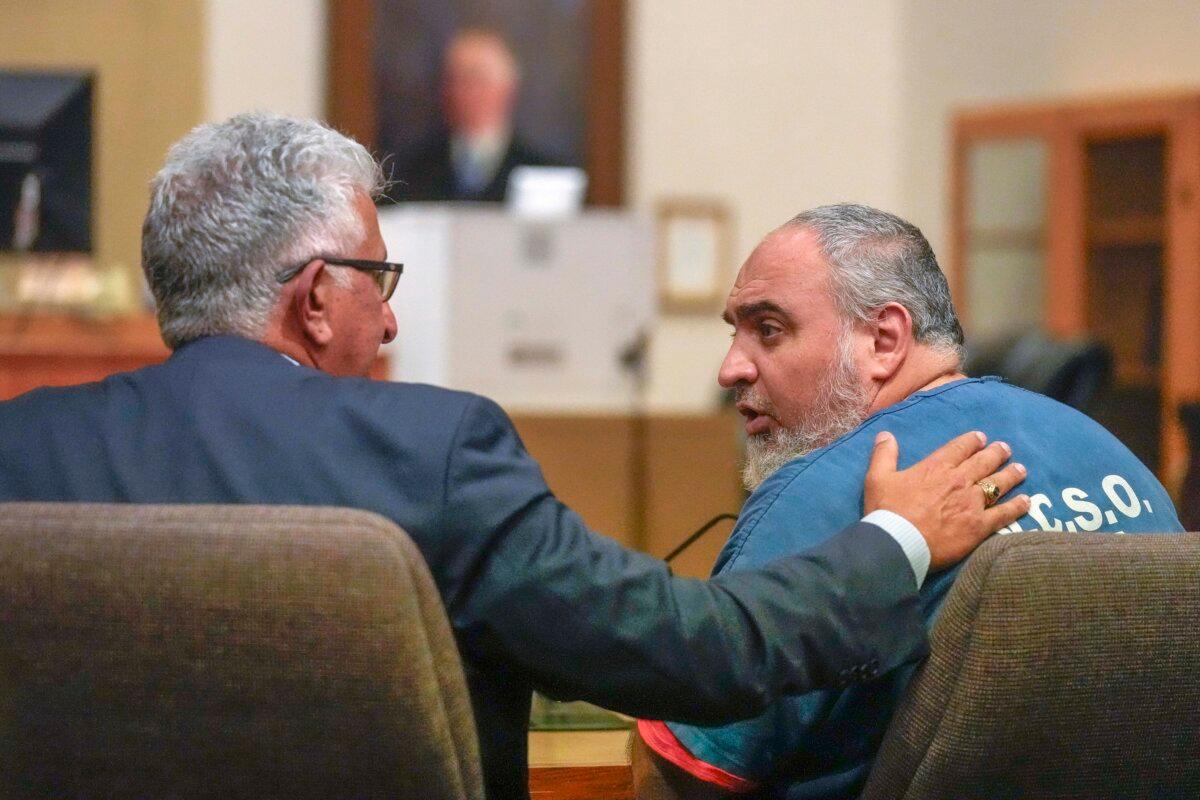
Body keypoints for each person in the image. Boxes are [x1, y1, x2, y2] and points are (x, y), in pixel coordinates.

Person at [0, 116, 1028, 800]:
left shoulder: (22, 447)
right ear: (315, 297)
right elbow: (701, 651)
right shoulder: (431, 450)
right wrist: (896, 535)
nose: (391, 320)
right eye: (376, 278)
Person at [632, 203, 1183, 800]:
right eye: (733, 333)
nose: (730, 368)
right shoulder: (1113, 454)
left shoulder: (813, 504)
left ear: (883, 341)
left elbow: (686, 774)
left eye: (768, 330)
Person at [395, 28, 558, 202]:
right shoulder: (416, 168)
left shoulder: (543, 171)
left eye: (476, 78)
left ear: (507, 88)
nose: (463, 92)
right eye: (455, 79)